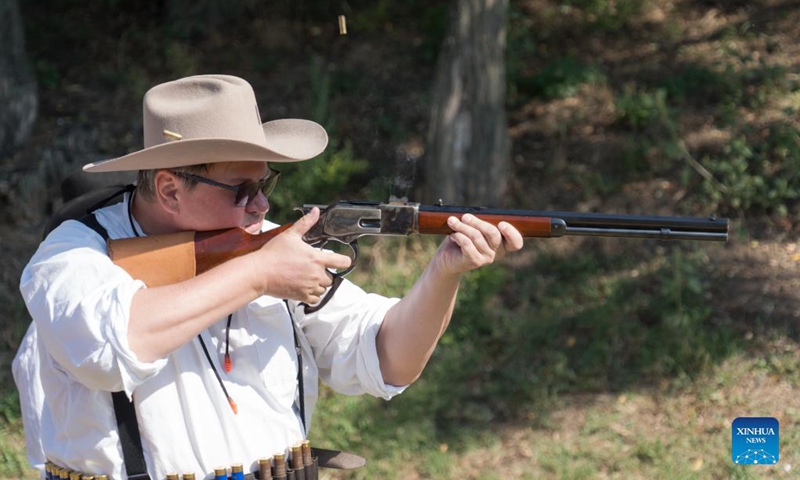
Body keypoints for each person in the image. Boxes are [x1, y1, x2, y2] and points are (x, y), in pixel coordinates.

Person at [14, 74, 523, 479]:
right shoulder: (75, 254)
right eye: (240, 189)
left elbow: (389, 358)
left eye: (266, 183)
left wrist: (444, 272)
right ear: (169, 189)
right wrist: (256, 274)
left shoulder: (268, 245)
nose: (262, 204)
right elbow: (112, 348)